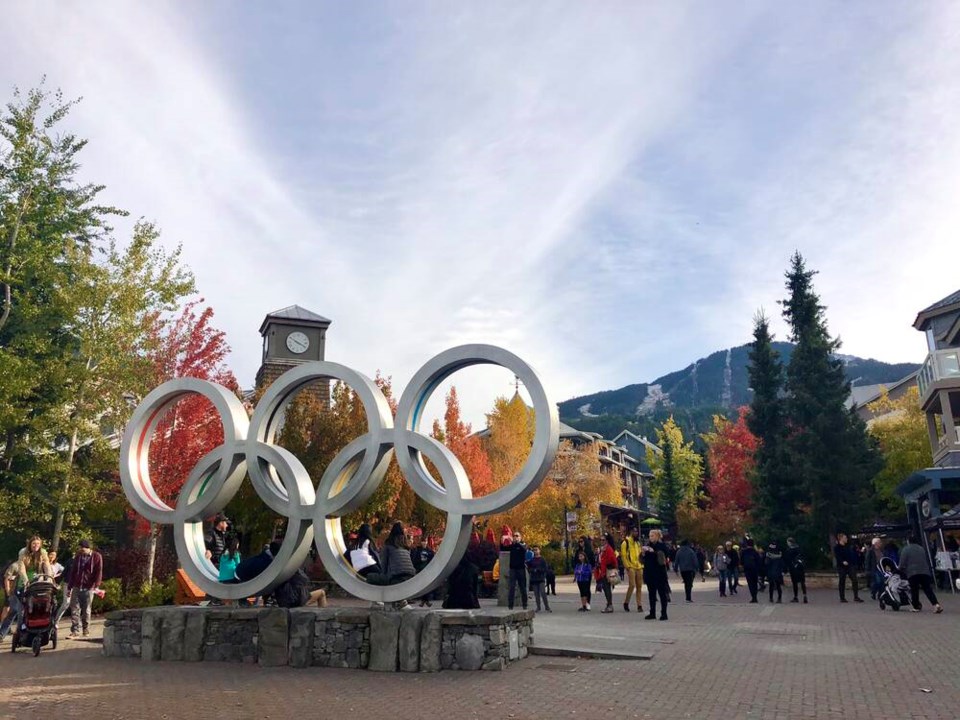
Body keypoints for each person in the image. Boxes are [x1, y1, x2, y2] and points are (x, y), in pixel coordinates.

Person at [67, 539, 102, 639]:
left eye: (83, 548)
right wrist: (70, 587)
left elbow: (99, 571)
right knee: (74, 609)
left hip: (88, 587)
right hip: (77, 586)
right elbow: (73, 572)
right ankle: (75, 630)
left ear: (88, 548)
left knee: (86, 610)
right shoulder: (78, 557)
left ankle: (86, 629)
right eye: (80, 548)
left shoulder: (96, 556)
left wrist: (96, 585)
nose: (81, 550)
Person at [899, 537, 943, 613]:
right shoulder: (921, 548)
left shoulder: (906, 549)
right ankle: (936, 604)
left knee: (914, 590)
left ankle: (916, 606)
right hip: (924, 571)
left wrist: (899, 569)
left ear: (908, 541)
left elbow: (902, 562)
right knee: (928, 589)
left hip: (912, 572)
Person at [642, 529, 670, 621]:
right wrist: (642, 553)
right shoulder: (647, 545)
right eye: (649, 536)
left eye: (652, 536)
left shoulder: (662, 546)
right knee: (651, 594)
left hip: (659, 573)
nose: (650, 538)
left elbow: (663, 557)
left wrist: (653, 551)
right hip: (649, 573)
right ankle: (652, 612)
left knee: (662, 593)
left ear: (657, 536)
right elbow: (643, 560)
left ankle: (664, 613)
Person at [620, 527, 644, 613]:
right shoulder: (625, 542)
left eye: (637, 531)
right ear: (631, 532)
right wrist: (627, 567)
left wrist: (642, 564)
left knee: (639, 586)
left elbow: (640, 554)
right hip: (631, 567)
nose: (636, 533)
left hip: (639, 566)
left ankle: (639, 605)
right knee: (632, 585)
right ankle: (626, 602)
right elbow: (623, 556)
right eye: (634, 531)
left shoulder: (637, 542)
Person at [834, 533, 863, 603]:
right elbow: (837, 556)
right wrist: (842, 561)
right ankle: (842, 597)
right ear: (841, 539)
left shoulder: (848, 547)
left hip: (850, 565)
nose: (846, 539)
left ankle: (856, 597)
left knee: (854, 579)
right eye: (845, 538)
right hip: (841, 566)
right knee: (842, 580)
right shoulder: (837, 547)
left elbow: (851, 555)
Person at [411, 536, 436, 607]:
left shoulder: (430, 551)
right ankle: (425, 601)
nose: (424, 543)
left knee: (426, 585)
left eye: (425, 541)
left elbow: (432, 560)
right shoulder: (417, 550)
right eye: (423, 541)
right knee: (422, 585)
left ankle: (425, 601)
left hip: (427, 569)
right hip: (420, 569)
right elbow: (415, 560)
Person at [507, 531, 528, 610]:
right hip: (513, 569)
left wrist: (518, 543)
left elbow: (524, 550)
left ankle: (524, 604)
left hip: (520, 569)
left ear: (520, 537)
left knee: (522, 587)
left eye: (517, 536)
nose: (515, 537)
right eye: (514, 536)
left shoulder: (523, 544)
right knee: (511, 587)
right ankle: (510, 605)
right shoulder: (512, 546)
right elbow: (503, 547)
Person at [596, 534, 617, 613]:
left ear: (607, 541)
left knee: (607, 588)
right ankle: (609, 605)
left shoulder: (608, 549)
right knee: (605, 588)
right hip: (603, 571)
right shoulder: (602, 549)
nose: (601, 541)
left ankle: (610, 605)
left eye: (603, 540)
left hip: (607, 571)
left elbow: (612, 560)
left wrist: (606, 564)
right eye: (600, 540)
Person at [526, 547, 552, 612]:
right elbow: (529, 568)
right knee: (536, 594)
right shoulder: (532, 560)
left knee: (543, 593)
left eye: (536, 550)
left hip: (541, 578)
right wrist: (533, 570)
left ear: (539, 551)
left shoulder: (542, 559)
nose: (535, 551)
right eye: (534, 550)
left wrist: (538, 570)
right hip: (534, 579)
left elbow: (545, 569)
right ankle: (538, 607)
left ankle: (547, 606)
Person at [784, 537, 807, 604]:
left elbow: (787, 560)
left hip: (793, 568)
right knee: (802, 582)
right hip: (800, 567)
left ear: (790, 542)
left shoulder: (789, 550)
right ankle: (805, 595)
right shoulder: (799, 548)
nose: (787, 543)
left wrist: (786, 568)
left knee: (795, 583)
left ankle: (796, 597)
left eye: (788, 542)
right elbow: (803, 556)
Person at [740, 539, 761, 603]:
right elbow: (759, 561)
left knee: (750, 583)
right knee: (755, 583)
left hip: (747, 570)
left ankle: (753, 597)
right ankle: (755, 597)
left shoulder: (744, 552)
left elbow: (741, 561)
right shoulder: (755, 552)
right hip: (754, 570)